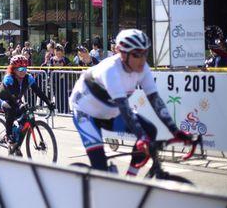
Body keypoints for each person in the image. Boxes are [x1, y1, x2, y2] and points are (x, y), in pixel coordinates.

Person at [69, 29, 192, 175]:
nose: (142, 60)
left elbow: (155, 99)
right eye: (136, 54)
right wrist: (141, 138)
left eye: (145, 53)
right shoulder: (111, 70)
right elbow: (124, 107)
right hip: (86, 113)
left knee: (150, 130)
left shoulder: (142, 68)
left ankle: (130, 178)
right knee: (100, 170)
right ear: (123, 54)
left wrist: (175, 130)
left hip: (109, 112)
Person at [0, 55, 55, 151]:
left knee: (25, 119)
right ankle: (8, 135)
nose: (23, 71)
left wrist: (49, 102)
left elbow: (38, 91)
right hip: (2, 99)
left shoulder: (28, 78)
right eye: (20, 68)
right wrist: (19, 104)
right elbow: (11, 94)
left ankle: (16, 146)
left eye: (25, 68)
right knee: (10, 109)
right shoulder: (9, 78)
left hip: (15, 100)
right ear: (13, 69)